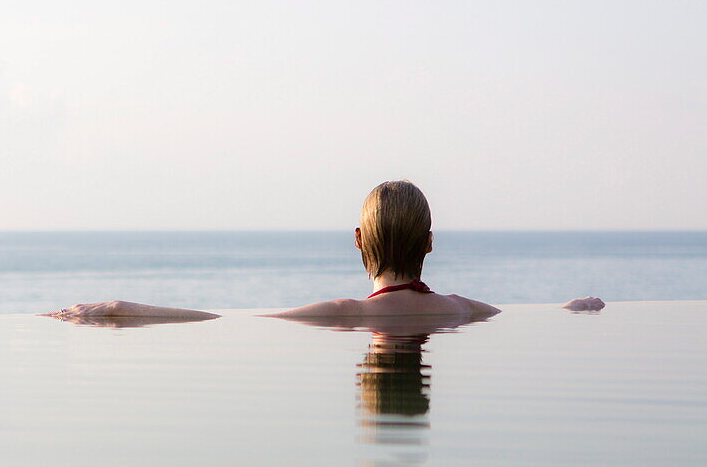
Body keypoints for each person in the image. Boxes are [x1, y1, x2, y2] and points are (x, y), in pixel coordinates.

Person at [45, 180, 602, 322]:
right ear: (430, 243)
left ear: (358, 241)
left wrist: (123, 309)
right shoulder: (463, 310)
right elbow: (538, 316)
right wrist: (576, 307)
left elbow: (225, 319)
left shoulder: (344, 317)